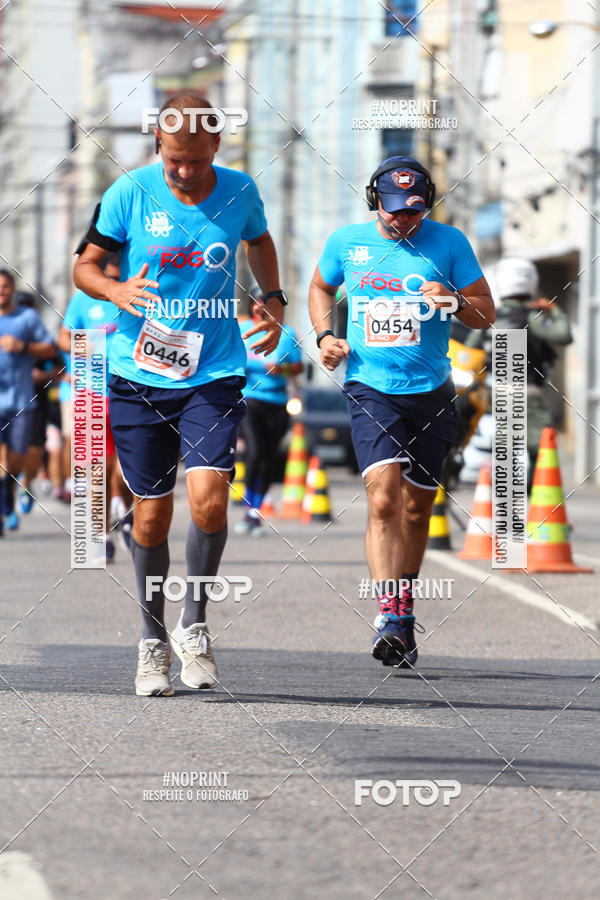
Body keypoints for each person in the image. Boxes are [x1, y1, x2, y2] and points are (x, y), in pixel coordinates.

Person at [73, 93, 285, 696]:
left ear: (216, 146)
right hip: (138, 374)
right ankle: (150, 640)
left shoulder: (241, 190)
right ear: (158, 148)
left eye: (196, 161)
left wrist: (271, 297)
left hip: (214, 371)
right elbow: (83, 267)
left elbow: (261, 241)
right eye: (174, 162)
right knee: (151, 514)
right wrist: (113, 292)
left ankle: (194, 625)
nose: (186, 173)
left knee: (211, 500)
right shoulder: (128, 193)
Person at [309, 156, 495, 667]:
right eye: (393, 210)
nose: (402, 220)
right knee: (385, 498)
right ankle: (389, 613)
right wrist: (325, 335)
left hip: (432, 390)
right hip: (371, 386)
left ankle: (404, 615)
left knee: (418, 509)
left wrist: (453, 299)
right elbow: (321, 286)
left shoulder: (450, 243)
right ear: (375, 202)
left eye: (413, 212)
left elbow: (486, 312)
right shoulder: (347, 242)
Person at [57, 254, 132, 560]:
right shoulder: (83, 301)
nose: (113, 283)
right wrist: (84, 345)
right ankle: (101, 534)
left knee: (126, 469)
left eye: (118, 276)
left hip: (131, 391)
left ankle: (126, 516)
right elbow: (63, 338)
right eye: (109, 277)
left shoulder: (137, 294)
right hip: (92, 393)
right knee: (97, 467)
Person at [493, 256, 572, 490]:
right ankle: (540, 504)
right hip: (527, 394)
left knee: (507, 451)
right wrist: (555, 311)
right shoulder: (530, 316)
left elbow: (473, 347)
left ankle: (508, 507)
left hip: (496, 394)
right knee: (543, 448)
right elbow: (563, 335)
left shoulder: (493, 317)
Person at [236, 291, 303, 535]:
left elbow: (299, 366)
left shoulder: (288, 333)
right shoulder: (241, 329)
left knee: (270, 458)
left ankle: (255, 509)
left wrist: (281, 368)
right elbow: (229, 360)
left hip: (278, 402)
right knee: (255, 453)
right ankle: (248, 507)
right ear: (253, 304)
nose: (263, 307)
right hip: (250, 399)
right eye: (259, 302)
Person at [0, 271, 56, 535]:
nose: (1, 290)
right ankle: (5, 509)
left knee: (15, 461)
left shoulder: (27, 317)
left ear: (12, 288)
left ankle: (9, 496)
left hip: (22, 402)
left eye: (5, 286)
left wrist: (22, 346)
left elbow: (50, 349)